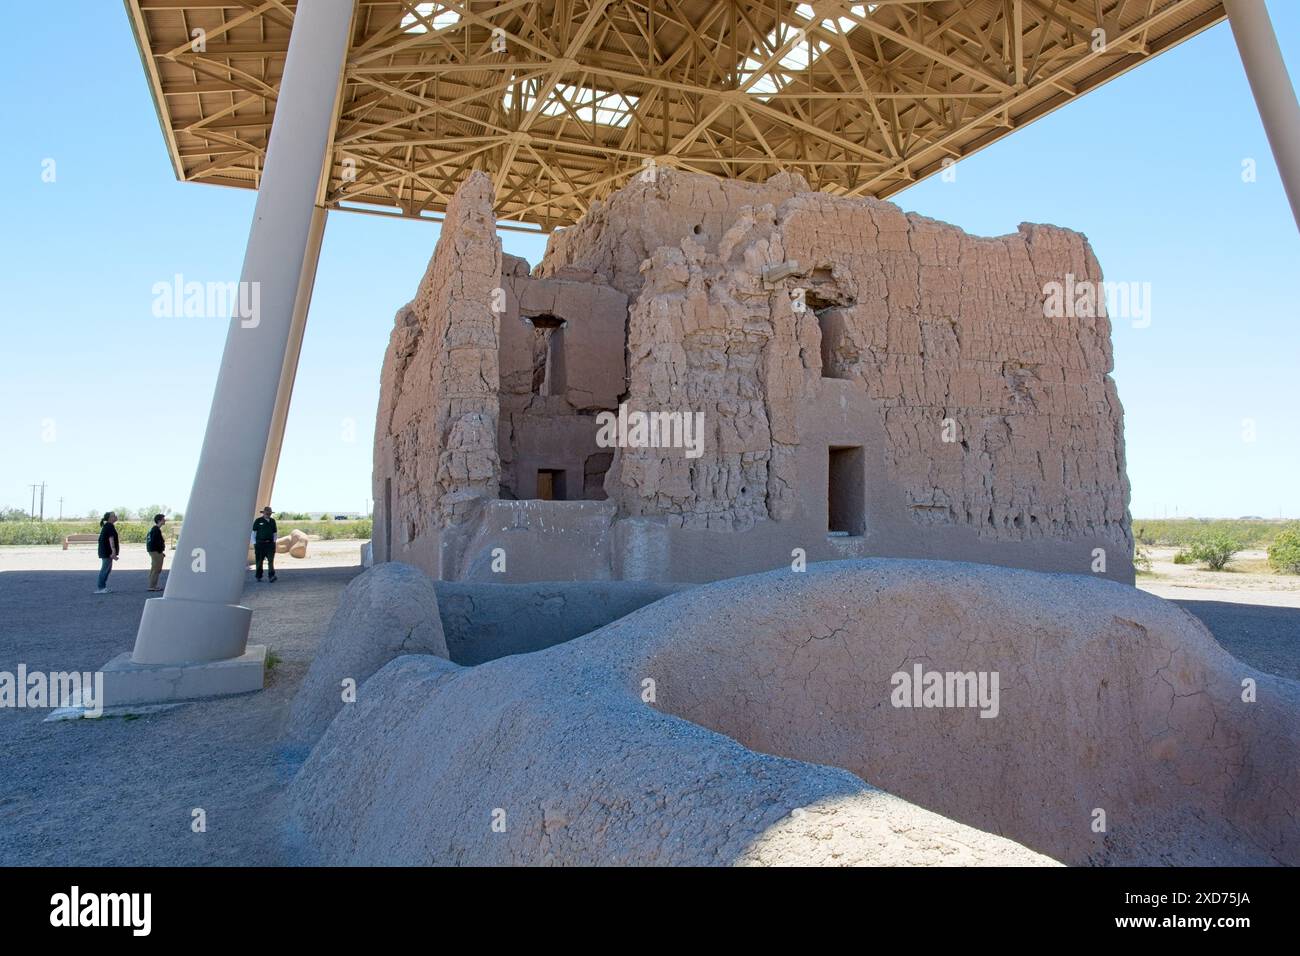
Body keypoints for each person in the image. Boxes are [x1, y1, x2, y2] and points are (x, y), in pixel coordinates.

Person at [95, 512, 119, 594]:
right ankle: (101, 587)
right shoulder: (109, 526)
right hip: (107, 552)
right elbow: (111, 539)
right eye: (113, 516)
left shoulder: (108, 526)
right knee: (105, 570)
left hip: (106, 551)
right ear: (109, 518)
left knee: (107, 570)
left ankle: (102, 587)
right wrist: (113, 552)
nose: (116, 516)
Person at [252, 506, 278, 583]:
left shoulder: (273, 521)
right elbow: (254, 533)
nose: (268, 514)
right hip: (260, 544)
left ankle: (271, 576)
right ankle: (258, 576)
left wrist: (274, 542)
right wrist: (254, 543)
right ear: (263, 513)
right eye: (267, 513)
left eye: (269, 513)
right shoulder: (258, 521)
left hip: (270, 544)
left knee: (271, 560)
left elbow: (275, 533)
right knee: (259, 561)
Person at [145, 513, 167, 591]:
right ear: (159, 520)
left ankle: (153, 585)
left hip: (153, 551)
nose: (165, 520)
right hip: (155, 551)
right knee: (156, 569)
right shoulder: (156, 530)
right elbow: (155, 542)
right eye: (163, 519)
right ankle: (152, 586)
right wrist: (160, 551)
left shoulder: (154, 529)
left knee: (154, 568)